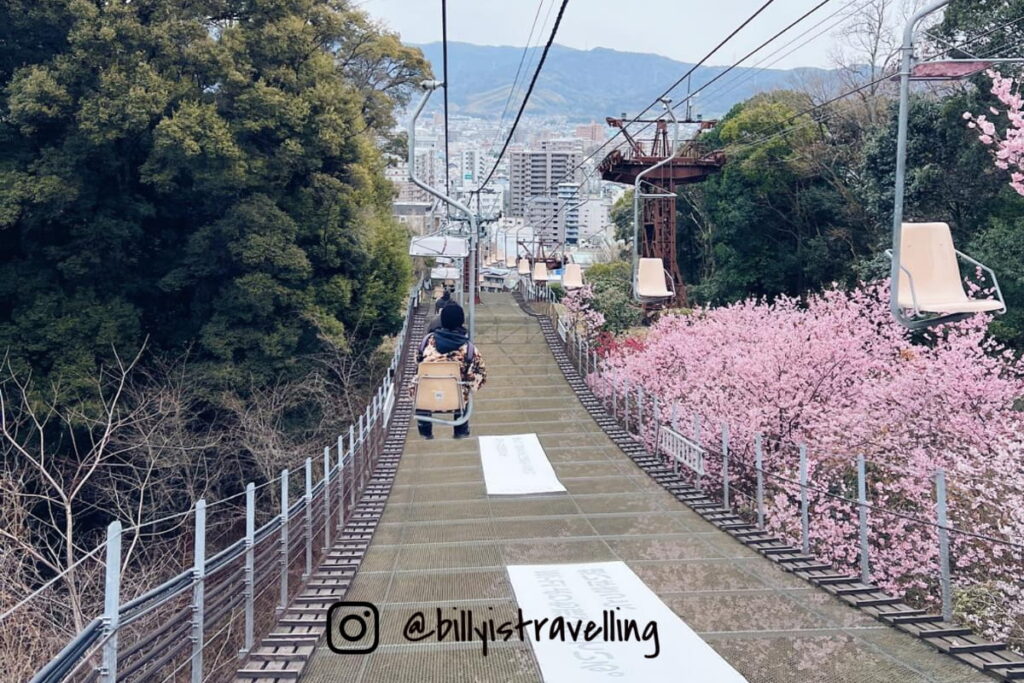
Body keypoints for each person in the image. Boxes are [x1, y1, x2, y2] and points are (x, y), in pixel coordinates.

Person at [414, 303, 486, 440]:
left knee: (422, 382)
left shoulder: (426, 343)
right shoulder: (469, 349)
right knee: (464, 387)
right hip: (455, 398)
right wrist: (469, 385)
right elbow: (480, 375)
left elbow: (417, 362)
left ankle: (425, 429)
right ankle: (461, 430)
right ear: (461, 321)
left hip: (427, 394)